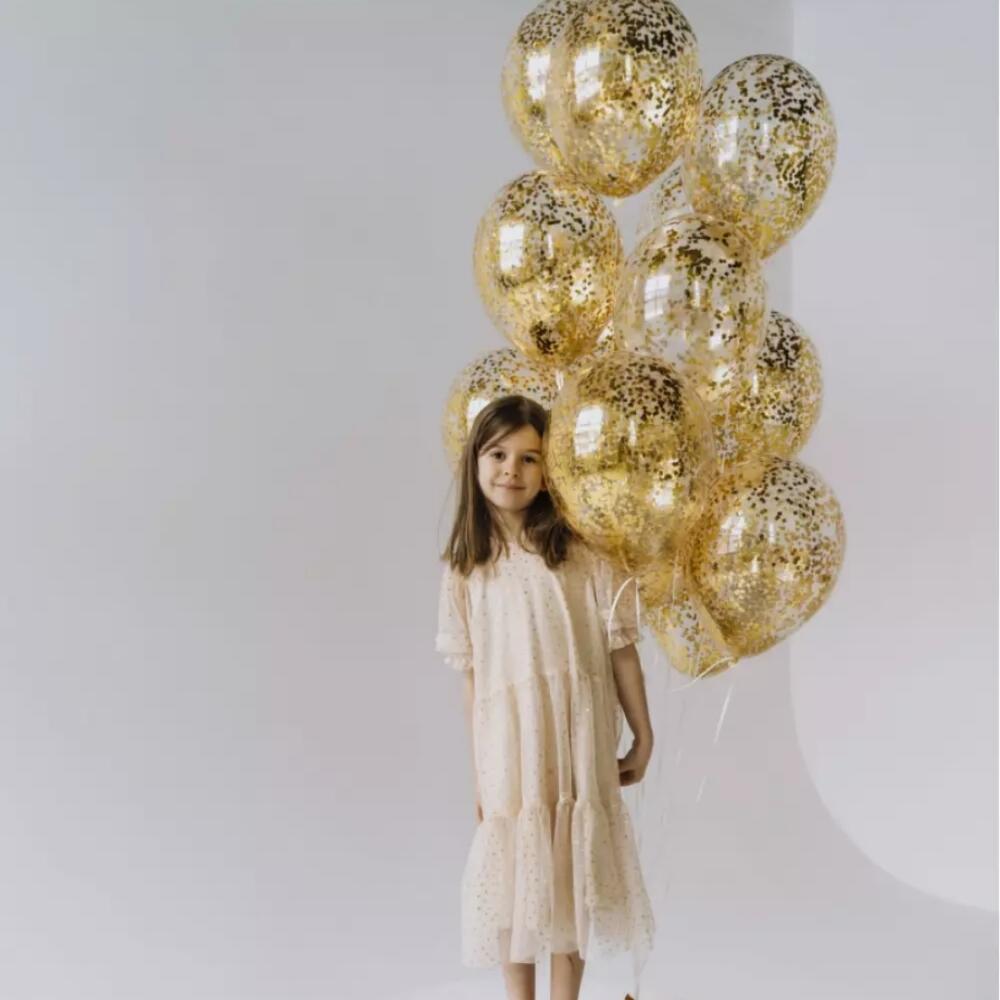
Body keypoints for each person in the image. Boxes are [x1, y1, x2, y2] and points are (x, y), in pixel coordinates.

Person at [435, 394, 656, 1000]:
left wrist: (643, 734)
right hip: (511, 743)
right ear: (475, 462)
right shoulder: (466, 568)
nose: (512, 470)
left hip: (577, 731)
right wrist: (481, 774)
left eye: (529, 458)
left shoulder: (585, 552)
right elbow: (473, 678)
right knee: (515, 874)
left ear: (549, 469)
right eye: (498, 454)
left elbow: (621, 650)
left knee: (570, 873)